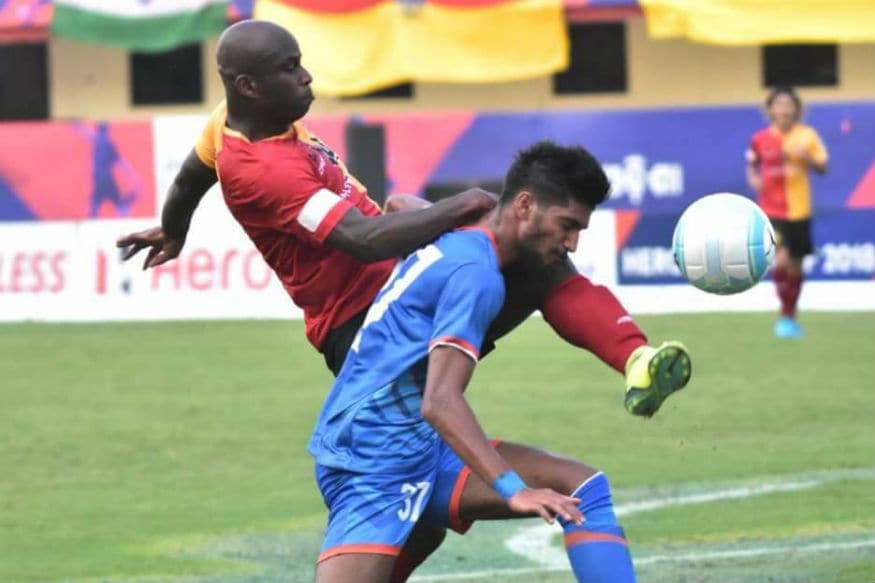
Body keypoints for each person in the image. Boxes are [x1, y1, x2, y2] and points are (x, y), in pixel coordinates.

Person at [116, 19, 691, 582]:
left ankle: (634, 357)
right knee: (529, 261)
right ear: (250, 87)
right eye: (290, 69)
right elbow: (363, 242)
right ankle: (632, 357)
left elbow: (192, 174)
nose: (307, 77)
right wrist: (462, 204)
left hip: (394, 297)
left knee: (456, 515)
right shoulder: (269, 171)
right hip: (361, 320)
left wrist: (174, 227)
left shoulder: (236, 123)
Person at [311, 141, 639, 583]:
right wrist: (514, 490)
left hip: (420, 447)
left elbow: (399, 204)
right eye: (567, 226)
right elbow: (440, 402)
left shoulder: (456, 239)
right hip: (372, 461)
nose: (573, 244)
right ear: (525, 205)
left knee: (583, 489)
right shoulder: (477, 275)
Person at [746, 87, 828, 338]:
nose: (784, 109)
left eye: (788, 104)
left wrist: (808, 158)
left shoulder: (807, 136)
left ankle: (790, 315)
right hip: (771, 210)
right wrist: (754, 179)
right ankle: (784, 314)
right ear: (770, 109)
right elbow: (752, 164)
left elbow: (823, 166)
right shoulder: (760, 138)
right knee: (780, 259)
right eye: (779, 104)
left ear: (796, 109)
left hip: (800, 211)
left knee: (796, 266)